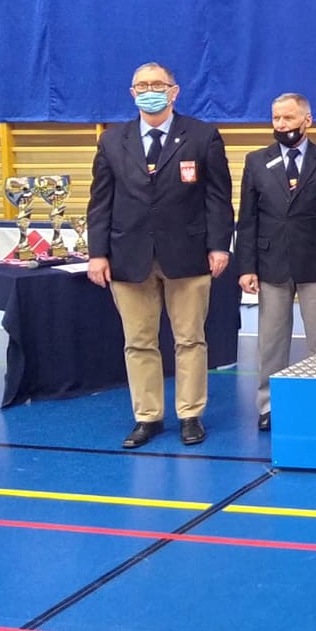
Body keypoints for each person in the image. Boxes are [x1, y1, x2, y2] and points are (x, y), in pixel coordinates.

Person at [86, 62, 233, 448]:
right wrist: (97, 253)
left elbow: (218, 197)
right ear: (132, 93)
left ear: (174, 91)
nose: (149, 90)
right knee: (138, 341)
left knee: (190, 339)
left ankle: (190, 414)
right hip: (128, 256)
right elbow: (100, 202)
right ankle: (147, 416)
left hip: (188, 255)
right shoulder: (112, 141)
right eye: (142, 85)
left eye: (157, 84)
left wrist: (219, 245)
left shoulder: (202, 136)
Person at [237, 93, 316, 431]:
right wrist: (246, 267)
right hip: (270, 264)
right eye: (276, 118)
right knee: (271, 342)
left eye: (288, 118)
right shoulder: (256, 161)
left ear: (307, 120)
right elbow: (247, 219)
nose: (281, 124)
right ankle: (269, 405)